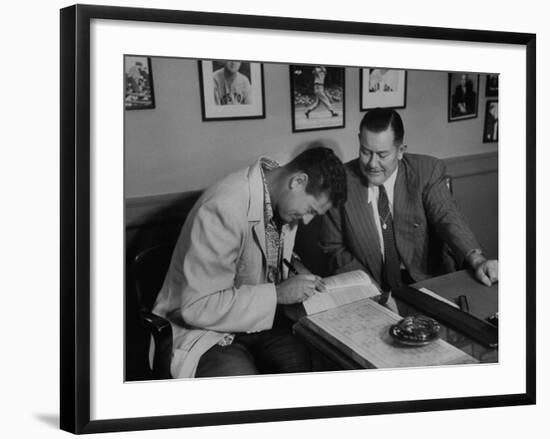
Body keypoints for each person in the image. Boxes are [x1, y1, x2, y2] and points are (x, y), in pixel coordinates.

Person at [153, 146, 348, 378]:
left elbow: (260, 254)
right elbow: (197, 307)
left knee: (318, 369)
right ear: (297, 181)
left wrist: (297, 271)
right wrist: (278, 294)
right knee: (249, 397)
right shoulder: (223, 206)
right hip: (202, 332)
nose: (307, 221)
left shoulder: (280, 201)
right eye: (310, 210)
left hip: (256, 326)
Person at [320, 108, 498, 301]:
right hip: (372, 291)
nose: (372, 163)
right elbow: (334, 249)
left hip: (428, 284)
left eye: (382, 155)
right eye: (365, 152)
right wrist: (371, 291)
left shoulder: (426, 171)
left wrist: (477, 260)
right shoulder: (341, 182)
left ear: (400, 151)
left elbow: (447, 217)